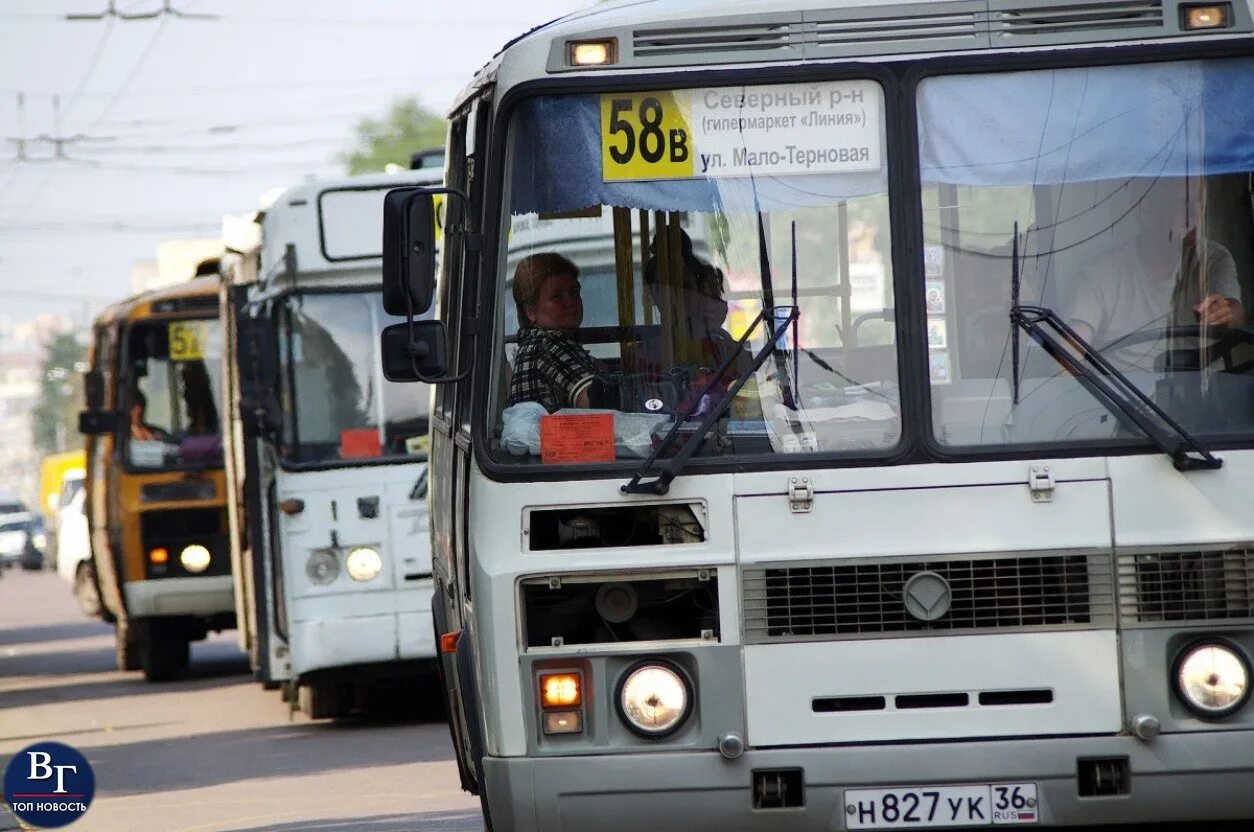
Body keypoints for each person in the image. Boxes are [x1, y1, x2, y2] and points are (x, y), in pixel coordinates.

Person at [1068, 178, 1244, 353]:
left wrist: (1225, 312)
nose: (1196, 213)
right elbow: (1070, 351)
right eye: (1184, 204)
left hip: (1203, 380)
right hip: (1120, 381)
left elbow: (1235, 310)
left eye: (1199, 201)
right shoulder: (1100, 274)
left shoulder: (1213, 258)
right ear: (1146, 207)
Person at [640, 230, 759, 417]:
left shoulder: (729, 350)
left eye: (685, 285)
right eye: (666, 288)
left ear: (698, 291)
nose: (678, 296)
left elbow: (752, 407)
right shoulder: (643, 357)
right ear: (651, 297)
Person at [506, 252, 600, 413]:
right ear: (531, 311)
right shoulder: (550, 346)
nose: (570, 302)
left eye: (574, 291)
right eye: (556, 296)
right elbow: (595, 400)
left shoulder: (533, 344)